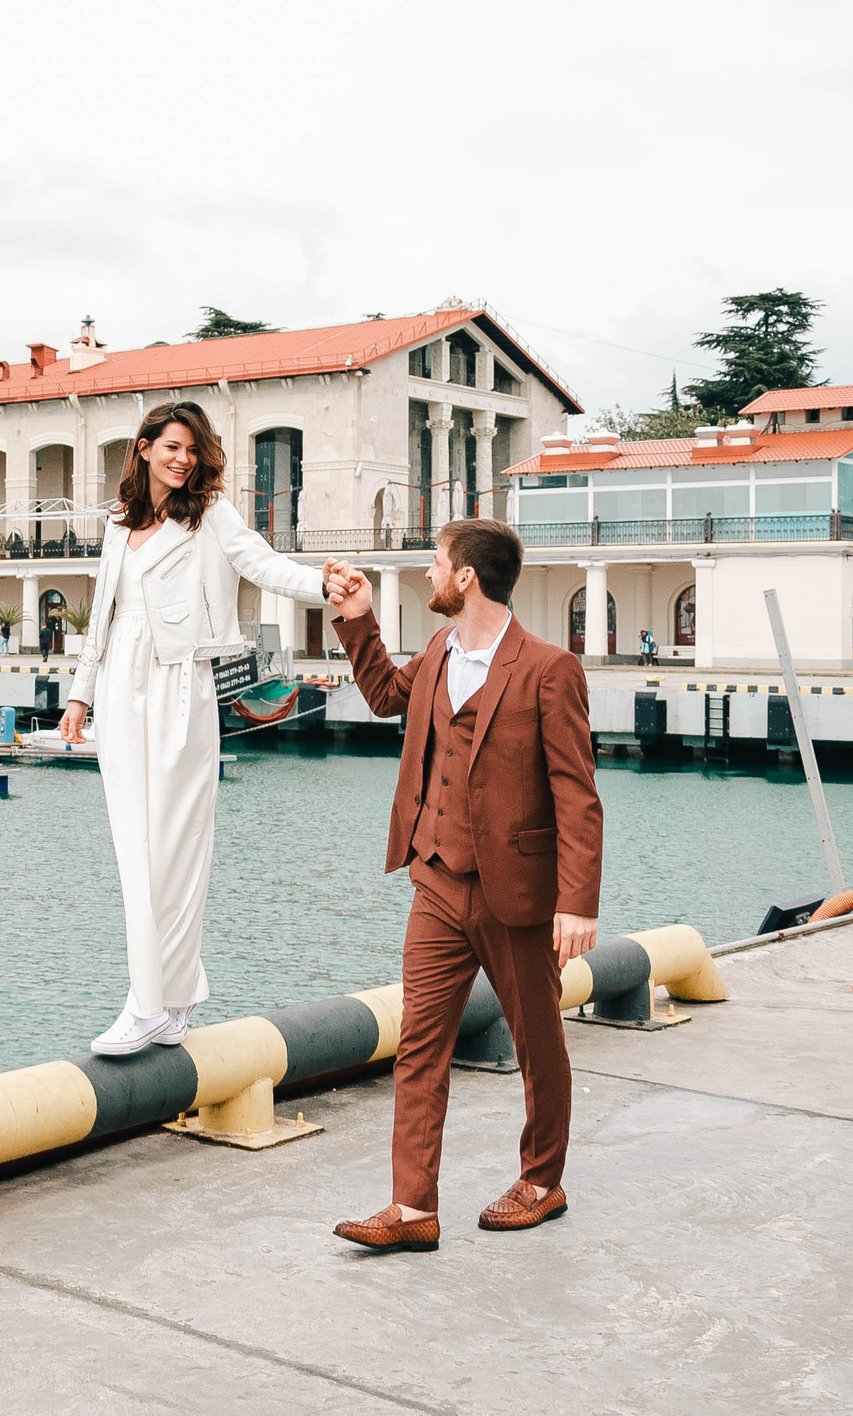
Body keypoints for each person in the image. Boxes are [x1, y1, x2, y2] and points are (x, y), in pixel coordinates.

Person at [321, 520, 602, 1252]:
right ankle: (413, 1208)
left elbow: (577, 796)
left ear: (468, 576)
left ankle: (542, 1180)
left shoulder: (549, 669)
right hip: (437, 880)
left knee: (538, 1043)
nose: (428, 573)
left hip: (519, 892)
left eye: (437, 562)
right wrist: (357, 617)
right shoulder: (438, 652)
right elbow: (386, 695)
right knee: (419, 1044)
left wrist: (577, 901)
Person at [58, 400, 328, 1056]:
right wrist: (80, 695)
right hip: (123, 686)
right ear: (144, 447)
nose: (182, 459)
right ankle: (170, 1003)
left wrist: (331, 586)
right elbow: (103, 615)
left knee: (175, 850)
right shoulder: (118, 524)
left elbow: (264, 565)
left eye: (192, 449)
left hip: (182, 686)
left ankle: (148, 1004)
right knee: (135, 849)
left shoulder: (210, 516)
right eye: (171, 446)